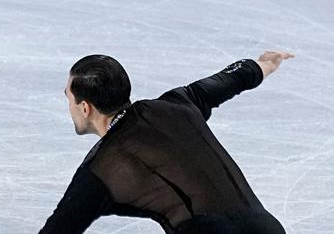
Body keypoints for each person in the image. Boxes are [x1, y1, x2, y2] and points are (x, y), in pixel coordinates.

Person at [40, 51, 294, 233]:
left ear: (85, 108)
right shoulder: (179, 104)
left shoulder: (101, 169)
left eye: (68, 98)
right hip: (267, 227)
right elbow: (232, 78)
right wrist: (265, 64)